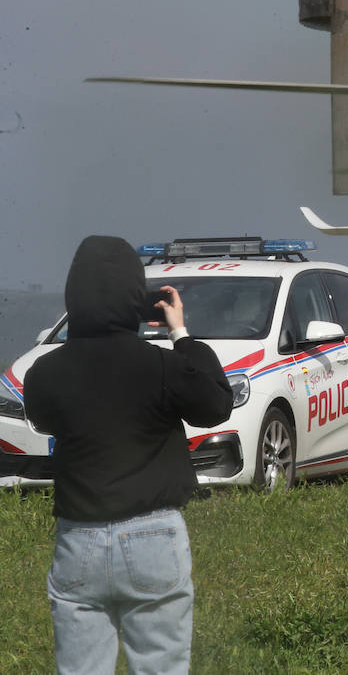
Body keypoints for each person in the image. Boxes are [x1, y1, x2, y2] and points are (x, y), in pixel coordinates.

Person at [23, 236, 232, 675]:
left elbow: (41, 419)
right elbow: (215, 404)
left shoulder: (46, 371)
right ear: (138, 300)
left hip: (79, 538)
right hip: (154, 535)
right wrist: (179, 332)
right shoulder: (161, 366)